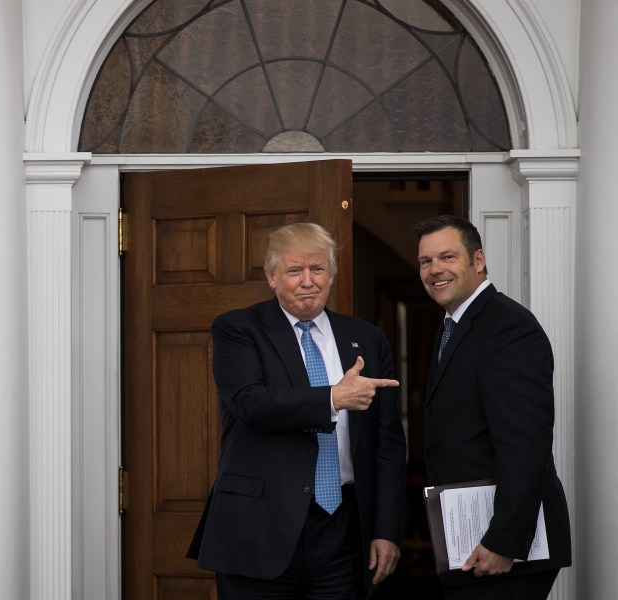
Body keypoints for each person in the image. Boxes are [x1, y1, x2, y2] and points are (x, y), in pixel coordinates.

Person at [187, 222, 407, 599]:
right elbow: (250, 403)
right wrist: (332, 399)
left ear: (332, 275)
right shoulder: (239, 329)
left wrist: (386, 530)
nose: (308, 281)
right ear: (272, 277)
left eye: (317, 269)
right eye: (294, 271)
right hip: (259, 528)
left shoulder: (366, 338)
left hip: (342, 529)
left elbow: (387, 444)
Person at [412, 215, 572, 599]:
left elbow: (525, 445)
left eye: (447, 257)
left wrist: (505, 541)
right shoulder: (452, 325)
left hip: (501, 549)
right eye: (425, 261)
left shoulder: (507, 326)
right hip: (470, 544)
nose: (435, 270)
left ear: (478, 260)